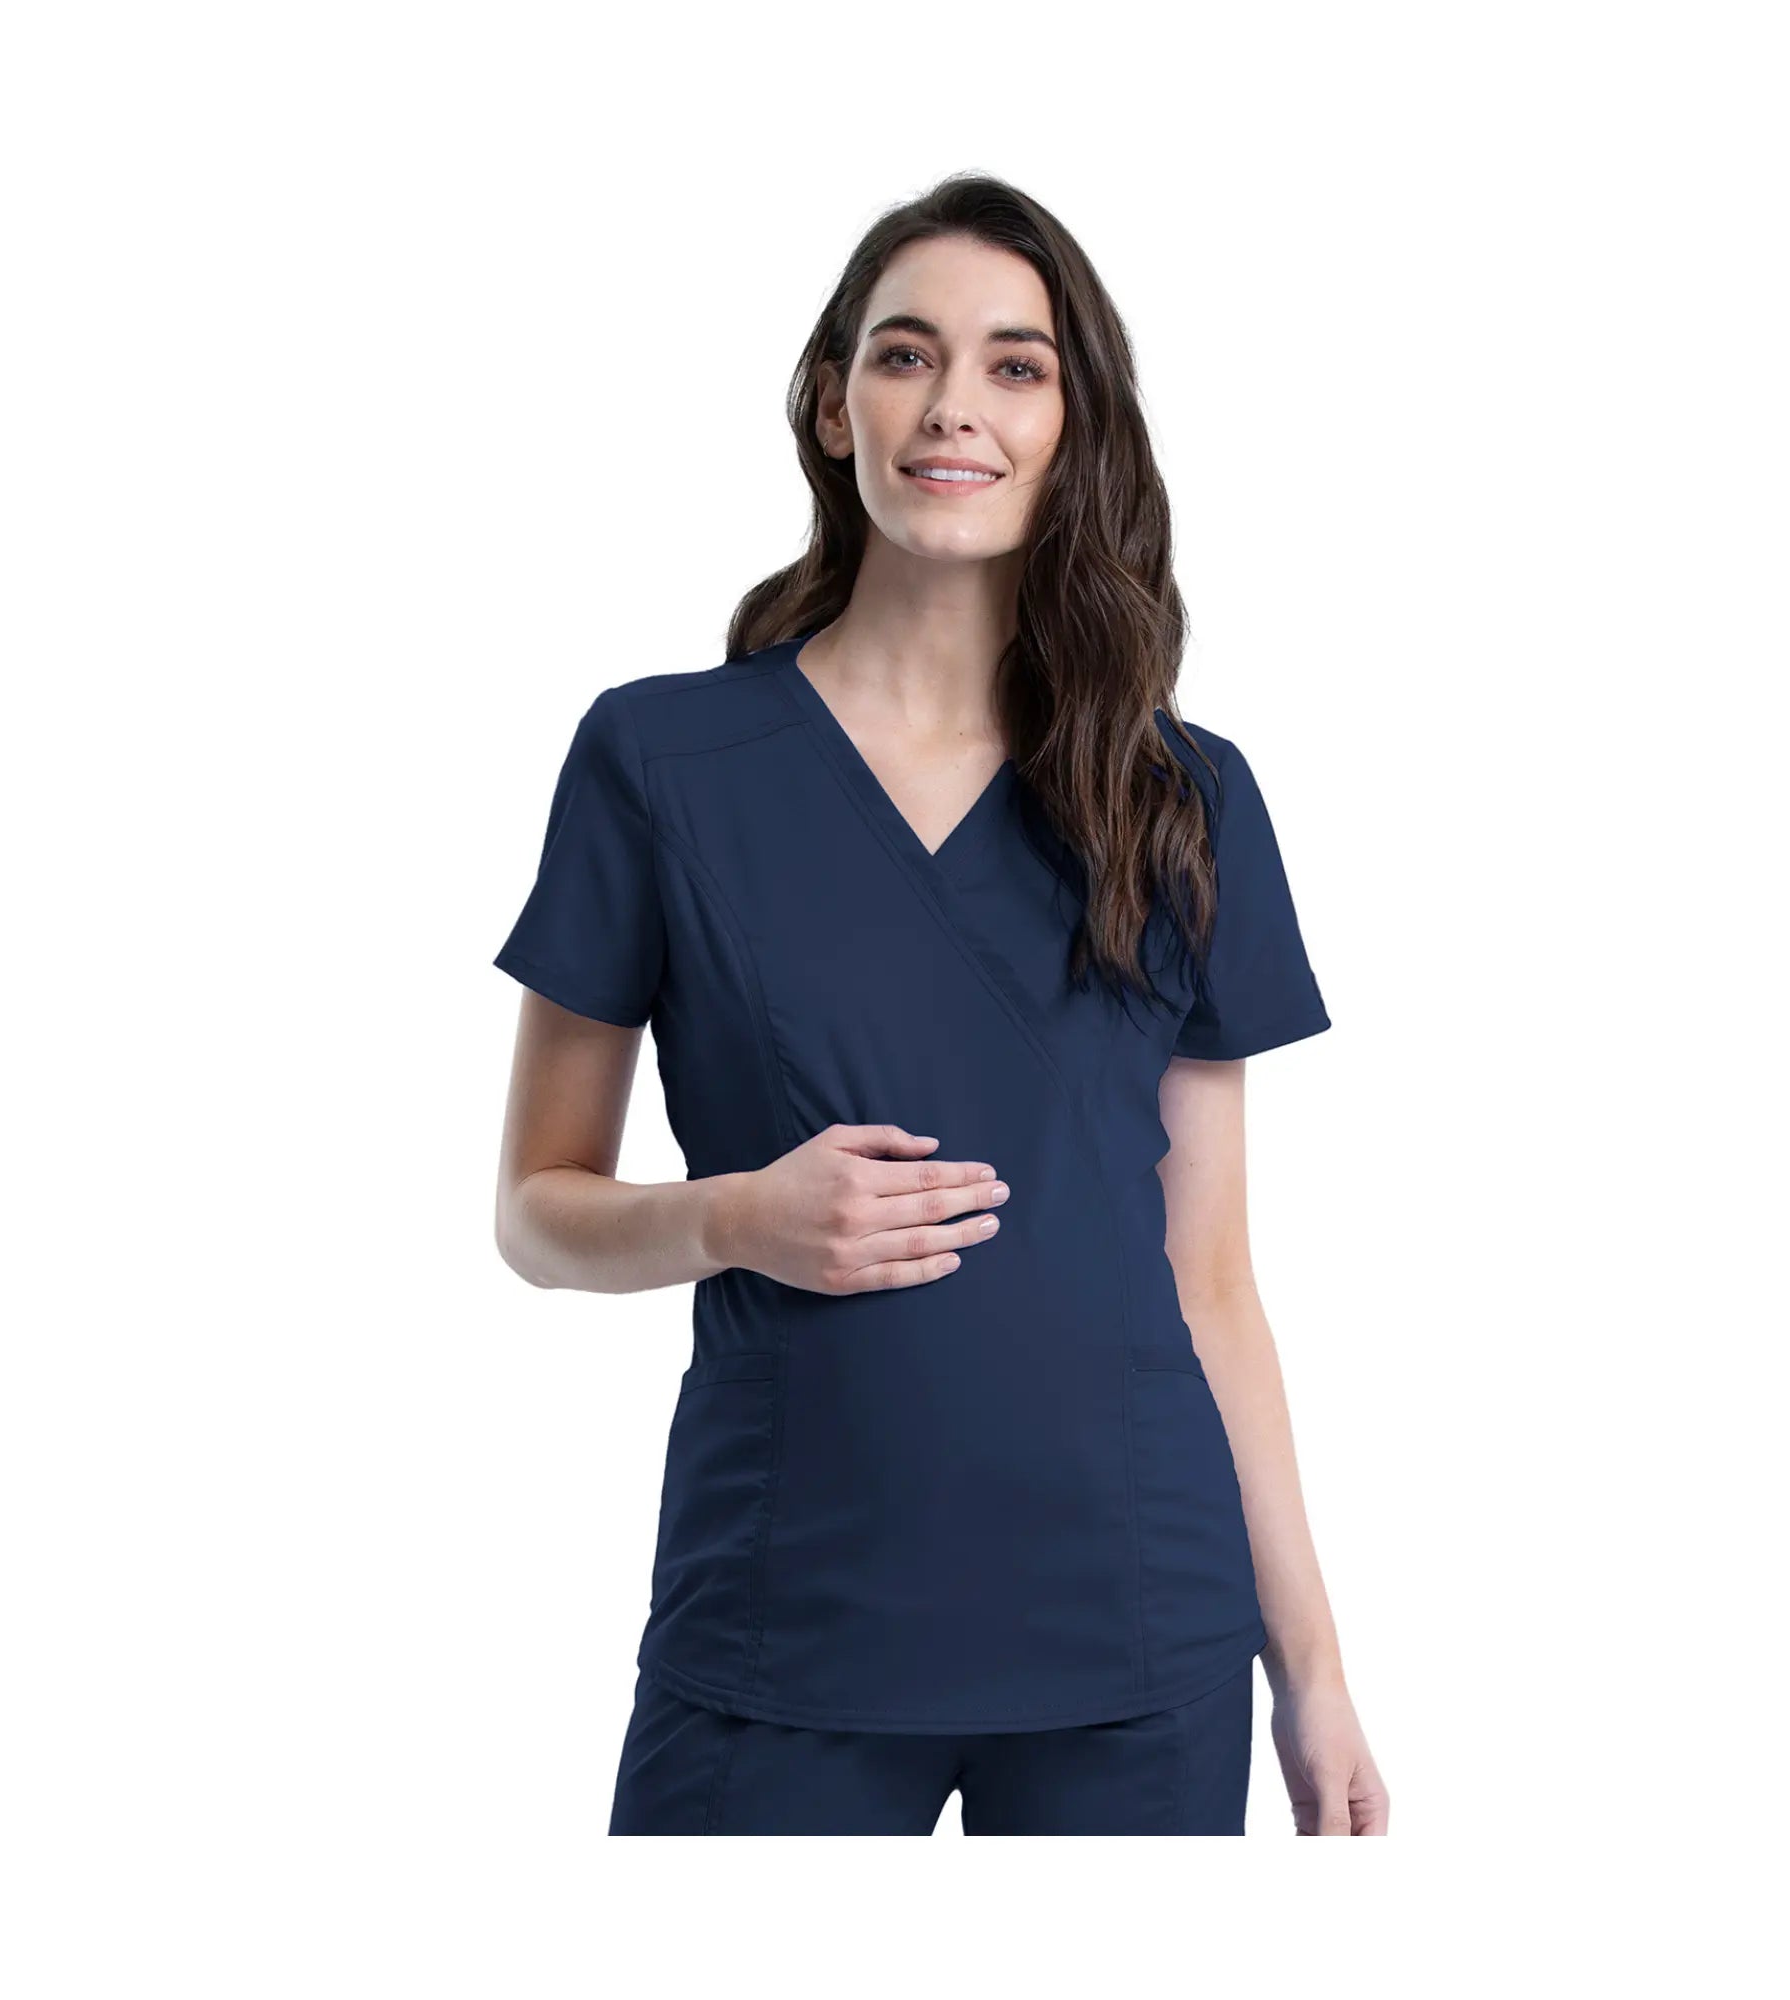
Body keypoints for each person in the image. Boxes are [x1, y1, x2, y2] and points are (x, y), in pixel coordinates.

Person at [491, 173, 1388, 1836]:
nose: (955, 404)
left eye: (1014, 366)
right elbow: (536, 1214)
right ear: (835, 406)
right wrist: (735, 1217)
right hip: (785, 1619)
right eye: (906, 356)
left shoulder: (1181, 796)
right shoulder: (661, 762)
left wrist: (1316, 1674)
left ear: (1071, 426)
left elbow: (1212, 1281)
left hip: (1136, 1627)